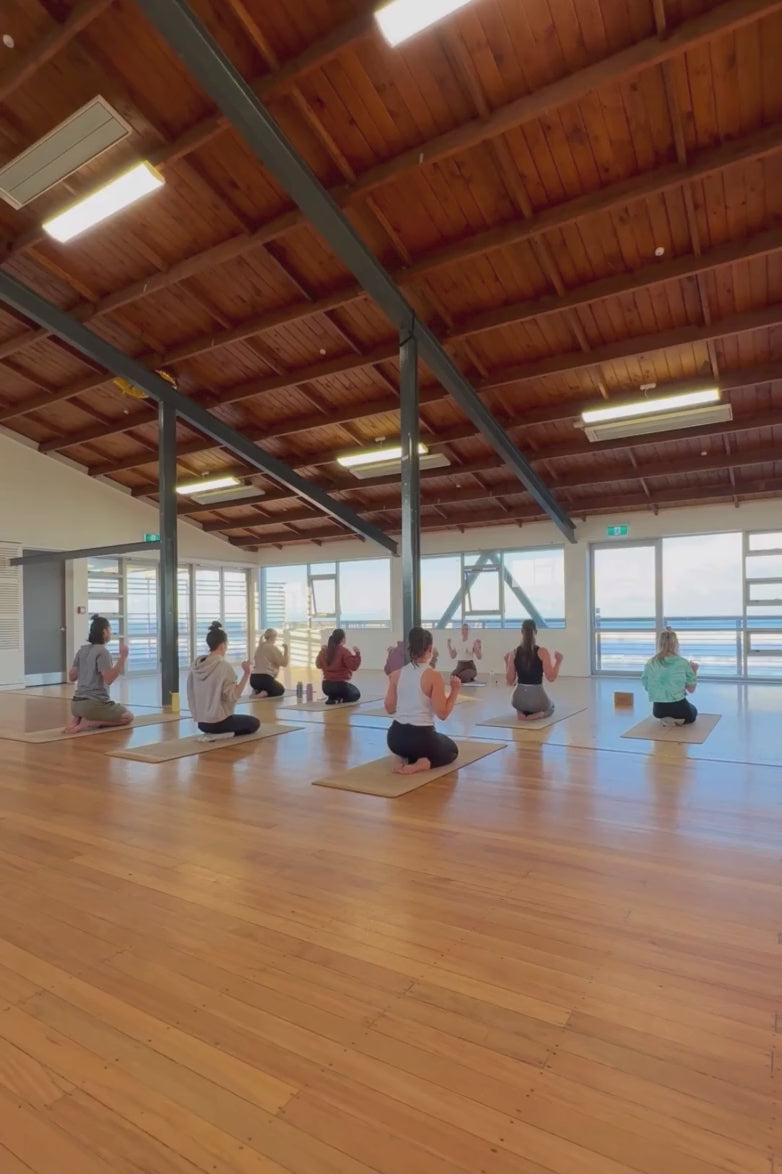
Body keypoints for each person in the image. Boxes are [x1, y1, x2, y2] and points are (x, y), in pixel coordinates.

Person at [384, 627, 460, 775]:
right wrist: (455, 690)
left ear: (410, 648)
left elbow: (389, 708)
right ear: (430, 649)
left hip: (395, 739)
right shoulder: (433, 676)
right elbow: (443, 714)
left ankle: (401, 757)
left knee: (419, 743)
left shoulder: (396, 674)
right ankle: (423, 763)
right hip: (421, 740)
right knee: (452, 750)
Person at [187, 621, 260, 737]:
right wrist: (246, 673)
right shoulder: (224, 666)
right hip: (218, 722)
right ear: (223, 645)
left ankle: (215, 733)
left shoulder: (196, 666)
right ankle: (223, 735)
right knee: (254, 723)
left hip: (201, 723)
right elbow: (233, 696)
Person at [64, 614, 133, 733]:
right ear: (104, 632)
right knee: (128, 717)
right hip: (93, 704)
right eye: (110, 630)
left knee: (88, 709)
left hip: (75, 705)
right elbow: (108, 679)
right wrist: (123, 658)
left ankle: (78, 719)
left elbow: (72, 677)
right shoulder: (103, 652)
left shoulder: (82, 651)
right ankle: (91, 722)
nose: (111, 633)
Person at [505, 619, 563, 721]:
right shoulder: (542, 652)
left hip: (518, 699)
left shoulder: (513, 653)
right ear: (535, 632)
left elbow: (510, 681)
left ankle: (522, 713)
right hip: (537, 697)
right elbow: (551, 677)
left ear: (522, 631)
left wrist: (507, 662)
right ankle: (536, 715)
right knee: (551, 707)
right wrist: (558, 661)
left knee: (523, 705)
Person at [641, 628, 698, 726]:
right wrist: (694, 670)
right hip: (680, 709)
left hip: (658, 710)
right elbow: (691, 689)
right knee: (694, 711)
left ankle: (668, 719)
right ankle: (678, 720)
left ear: (659, 644)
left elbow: (647, 686)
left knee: (667, 710)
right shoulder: (683, 662)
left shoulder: (651, 662)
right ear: (676, 644)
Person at [315, 628, 361, 704]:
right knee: (356, 694)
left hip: (326, 687)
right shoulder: (344, 651)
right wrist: (357, 653)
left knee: (339, 689)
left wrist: (321, 652)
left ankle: (333, 698)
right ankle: (340, 698)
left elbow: (318, 665)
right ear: (343, 639)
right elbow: (353, 667)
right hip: (340, 686)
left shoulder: (325, 650)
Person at [250, 628, 288, 697]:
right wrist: (286, 650)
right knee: (280, 689)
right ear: (272, 637)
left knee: (266, 685)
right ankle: (264, 693)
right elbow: (284, 663)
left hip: (253, 680)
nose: (276, 639)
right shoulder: (272, 648)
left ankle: (256, 690)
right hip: (265, 679)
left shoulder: (259, 647)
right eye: (275, 637)